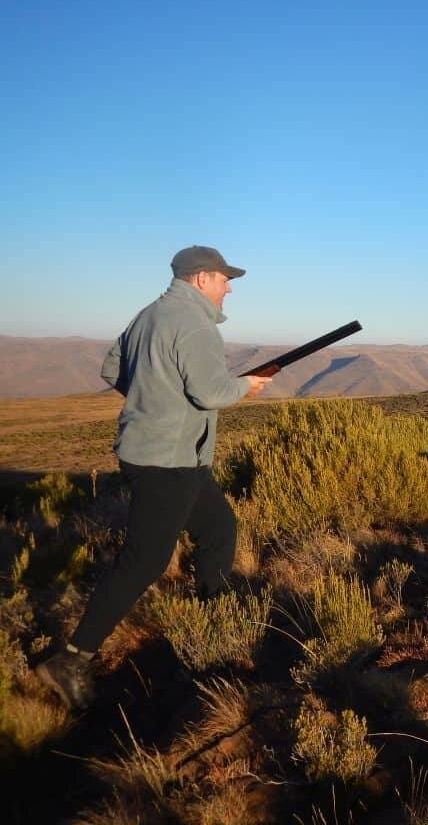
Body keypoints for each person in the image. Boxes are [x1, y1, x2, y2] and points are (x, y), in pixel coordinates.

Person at [36, 245, 270, 709]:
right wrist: (248, 385)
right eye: (226, 281)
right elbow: (211, 393)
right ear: (201, 278)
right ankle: (73, 658)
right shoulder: (196, 324)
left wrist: (152, 393)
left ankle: (214, 628)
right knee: (144, 561)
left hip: (166, 455)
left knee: (219, 528)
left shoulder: (148, 315)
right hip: (169, 460)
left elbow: (110, 368)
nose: (228, 291)